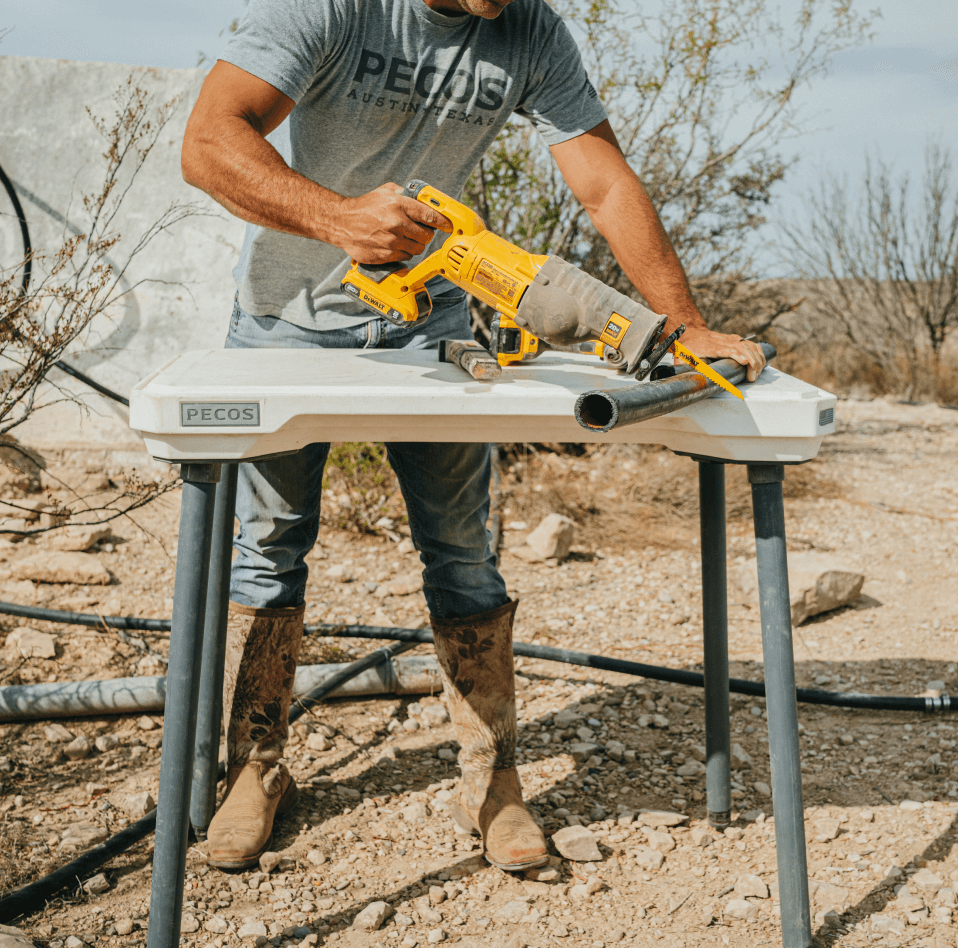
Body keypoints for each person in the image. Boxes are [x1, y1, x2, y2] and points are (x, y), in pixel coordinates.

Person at [181, 0, 767, 873]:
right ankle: (255, 772)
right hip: (286, 325)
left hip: (431, 328)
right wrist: (341, 220)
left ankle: (493, 785)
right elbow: (207, 143)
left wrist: (682, 327)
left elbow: (602, 182)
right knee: (267, 547)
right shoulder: (331, 8)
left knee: (463, 554)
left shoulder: (529, 29)